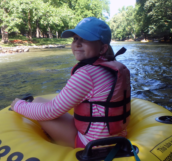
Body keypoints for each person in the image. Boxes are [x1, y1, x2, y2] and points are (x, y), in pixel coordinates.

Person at [11, 17, 131, 148]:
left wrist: (18, 105)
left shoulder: (87, 74)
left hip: (93, 144)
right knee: (38, 100)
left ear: (102, 48)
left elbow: (50, 111)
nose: (77, 44)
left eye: (85, 39)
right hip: (116, 136)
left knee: (40, 107)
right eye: (75, 39)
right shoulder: (111, 67)